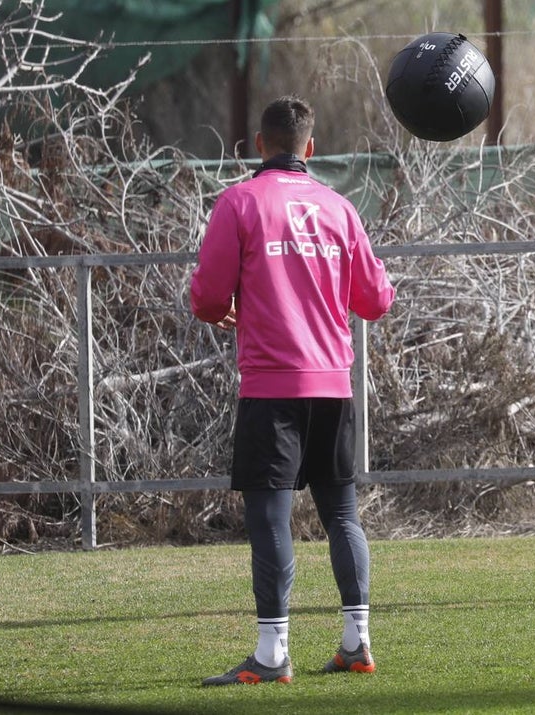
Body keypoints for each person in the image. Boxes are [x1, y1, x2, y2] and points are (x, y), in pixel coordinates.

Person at [191, 95, 396, 683]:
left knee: (270, 519)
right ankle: (357, 642)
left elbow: (206, 297)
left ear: (259, 145)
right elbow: (376, 301)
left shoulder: (239, 201)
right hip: (332, 384)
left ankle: (273, 652)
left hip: (272, 386)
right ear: (311, 147)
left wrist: (226, 308)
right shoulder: (339, 208)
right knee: (342, 515)